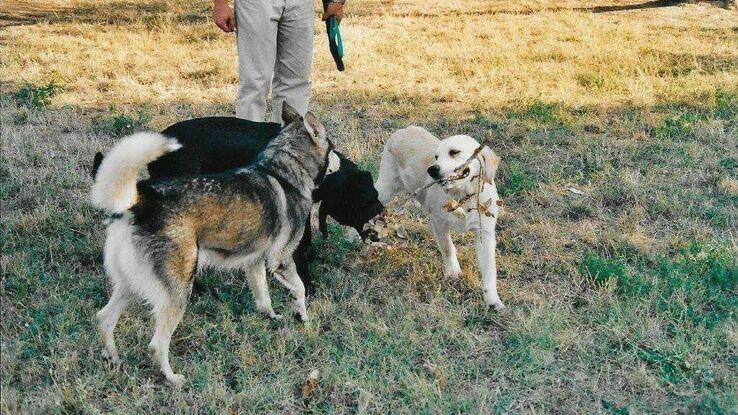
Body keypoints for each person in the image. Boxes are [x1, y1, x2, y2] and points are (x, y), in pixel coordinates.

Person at [213, 0, 344, 123]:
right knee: (254, 83)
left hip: (301, 4)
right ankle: (248, 145)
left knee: (297, 82)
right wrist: (220, 3)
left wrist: (337, 1)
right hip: (256, 4)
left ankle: (289, 144)